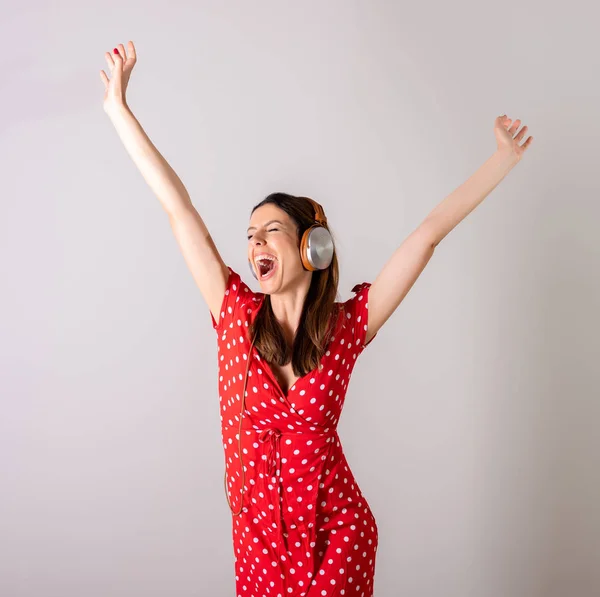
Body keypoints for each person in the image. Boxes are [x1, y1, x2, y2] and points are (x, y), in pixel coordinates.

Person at [101, 41, 533, 597]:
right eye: (250, 233)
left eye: (271, 230)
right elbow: (178, 209)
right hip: (258, 549)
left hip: (336, 540)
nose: (255, 241)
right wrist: (119, 109)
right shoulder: (233, 313)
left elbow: (425, 238)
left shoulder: (346, 328)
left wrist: (501, 160)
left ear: (313, 249)